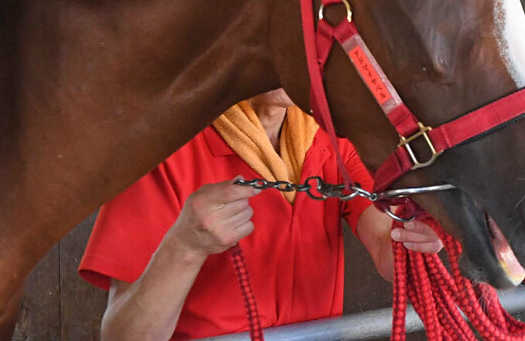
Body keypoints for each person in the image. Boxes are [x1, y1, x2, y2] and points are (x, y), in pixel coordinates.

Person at [79, 88, 442, 340]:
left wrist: (416, 244)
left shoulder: (330, 138)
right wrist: (185, 248)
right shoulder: (162, 148)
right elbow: (122, 335)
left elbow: (386, 243)